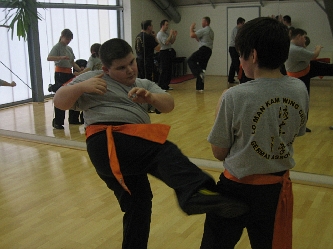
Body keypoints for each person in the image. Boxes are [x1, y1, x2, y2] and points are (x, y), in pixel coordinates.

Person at [53, 38, 248, 249]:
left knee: (139, 205)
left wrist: (151, 99)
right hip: (106, 142)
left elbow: (169, 104)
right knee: (164, 151)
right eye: (121, 67)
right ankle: (195, 191)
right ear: (106, 69)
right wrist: (82, 86)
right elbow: (59, 101)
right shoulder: (94, 77)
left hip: (129, 146)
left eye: (131, 62)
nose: (129, 70)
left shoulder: (143, 84)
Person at [200, 17, 309, 249]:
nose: (239, 61)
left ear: (253, 55)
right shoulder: (299, 88)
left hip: (235, 190)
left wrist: (221, 109)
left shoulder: (234, 96)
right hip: (275, 191)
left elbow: (219, 152)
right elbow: (296, 133)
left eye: (240, 55)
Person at [285, 28, 333, 132]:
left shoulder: (292, 46)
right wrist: (318, 48)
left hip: (305, 70)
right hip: (300, 76)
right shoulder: (295, 49)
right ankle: (299, 125)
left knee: (303, 101)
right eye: (304, 37)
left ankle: (300, 125)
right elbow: (314, 55)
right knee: (303, 101)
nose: (305, 40)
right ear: (298, 36)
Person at [47, 28, 82, 129]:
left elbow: (72, 63)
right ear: (62, 37)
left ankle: (73, 119)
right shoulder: (57, 47)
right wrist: (60, 58)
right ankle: (58, 121)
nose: (68, 41)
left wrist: (81, 71)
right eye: (67, 39)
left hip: (69, 72)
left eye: (70, 39)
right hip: (60, 73)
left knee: (74, 94)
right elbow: (49, 57)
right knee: (61, 95)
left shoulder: (69, 49)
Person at [188, 16, 214, 92]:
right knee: (202, 67)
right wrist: (194, 32)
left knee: (190, 60)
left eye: (203, 21)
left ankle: (198, 72)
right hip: (209, 51)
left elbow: (191, 35)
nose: (201, 23)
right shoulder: (211, 31)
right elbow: (199, 39)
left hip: (203, 50)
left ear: (206, 22)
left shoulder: (204, 30)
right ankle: (200, 88)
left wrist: (191, 28)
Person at [156, 19, 177, 91]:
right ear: (162, 25)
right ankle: (161, 86)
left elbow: (171, 42)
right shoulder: (160, 34)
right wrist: (171, 34)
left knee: (169, 69)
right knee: (164, 69)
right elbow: (166, 42)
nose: (168, 26)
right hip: (163, 52)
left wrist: (174, 36)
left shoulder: (166, 33)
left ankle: (166, 85)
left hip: (169, 52)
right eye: (166, 25)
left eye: (168, 25)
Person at [228, 17, 245, 84]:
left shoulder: (238, 30)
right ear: (240, 23)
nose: (243, 25)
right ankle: (241, 79)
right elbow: (237, 40)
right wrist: (239, 50)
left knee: (233, 64)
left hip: (234, 48)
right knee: (237, 64)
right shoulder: (236, 30)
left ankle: (230, 79)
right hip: (233, 48)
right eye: (243, 23)